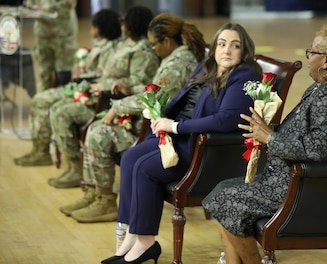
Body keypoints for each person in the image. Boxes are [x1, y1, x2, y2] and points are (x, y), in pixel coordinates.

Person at [100, 22, 261, 264]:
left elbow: (226, 120)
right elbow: (184, 101)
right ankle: (132, 234)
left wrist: (174, 126)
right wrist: (160, 116)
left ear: (244, 50)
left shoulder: (245, 75)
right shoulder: (208, 67)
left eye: (235, 46)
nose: (226, 51)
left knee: (145, 169)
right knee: (130, 158)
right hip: (181, 136)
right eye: (222, 44)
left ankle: (145, 243)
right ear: (214, 48)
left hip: (203, 150)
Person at [202, 24, 327, 264]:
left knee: (227, 200)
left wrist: (270, 137)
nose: (308, 58)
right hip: (290, 180)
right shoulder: (323, 87)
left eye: (312, 53)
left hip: (310, 188)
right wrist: (266, 130)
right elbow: (300, 132)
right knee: (222, 192)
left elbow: (318, 149)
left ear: (326, 60)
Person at [60, 13, 207, 223]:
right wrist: (131, 88)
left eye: (154, 44)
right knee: (97, 129)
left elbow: (156, 99)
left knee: (99, 133)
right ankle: (94, 194)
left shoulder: (178, 64)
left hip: (157, 129)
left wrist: (118, 106)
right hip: (154, 122)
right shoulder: (175, 57)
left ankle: (106, 201)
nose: (153, 49)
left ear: (166, 40)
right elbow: (155, 90)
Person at [48, 6, 160, 188]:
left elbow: (138, 81)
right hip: (103, 95)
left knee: (61, 114)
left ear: (132, 24)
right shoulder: (124, 44)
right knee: (57, 109)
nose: (122, 25)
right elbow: (106, 73)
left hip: (113, 101)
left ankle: (78, 172)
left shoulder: (143, 51)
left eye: (125, 21)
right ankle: (73, 168)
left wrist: (106, 86)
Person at [13, 8, 122, 167]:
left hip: (88, 92)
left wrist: (81, 78)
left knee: (43, 101)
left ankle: (46, 153)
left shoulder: (112, 50)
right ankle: (40, 150)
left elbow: (103, 77)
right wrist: (79, 73)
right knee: (40, 99)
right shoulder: (101, 46)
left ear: (98, 28)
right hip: (81, 87)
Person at [24, 0, 78, 92]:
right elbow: (28, 3)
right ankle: (44, 101)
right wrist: (31, 8)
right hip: (43, 34)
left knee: (64, 74)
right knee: (44, 73)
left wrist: (45, 9)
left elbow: (70, 3)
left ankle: (63, 102)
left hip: (63, 34)